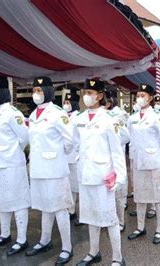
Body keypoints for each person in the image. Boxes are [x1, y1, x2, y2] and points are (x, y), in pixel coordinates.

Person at [73, 79, 127, 266]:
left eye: (90, 92)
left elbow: (117, 152)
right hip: (86, 175)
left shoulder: (109, 120)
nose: (86, 96)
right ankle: (93, 252)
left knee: (110, 219)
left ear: (100, 96)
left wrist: (119, 178)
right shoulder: (78, 119)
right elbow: (75, 144)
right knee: (90, 217)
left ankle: (118, 258)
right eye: (84, 92)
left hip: (104, 177)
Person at [25, 77, 73, 264]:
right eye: (34, 90)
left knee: (60, 208)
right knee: (45, 206)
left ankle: (67, 247)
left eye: (39, 90)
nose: (36, 94)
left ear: (47, 91)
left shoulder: (57, 113)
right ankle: (45, 240)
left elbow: (70, 140)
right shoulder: (33, 114)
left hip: (54, 169)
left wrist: (57, 155)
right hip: (38, 168)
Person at [0, 77, 31, 256]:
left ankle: (22, 239)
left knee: (18, 200)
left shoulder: (13, 113)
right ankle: (5, 234)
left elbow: (24, 137)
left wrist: (12, 152)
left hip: (11, 164)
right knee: (1, 199)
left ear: (3, 93)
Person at [127, 84, 160, 244]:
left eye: (143, 95)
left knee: (158, 196)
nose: (139, 98)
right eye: (138, 95)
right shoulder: (132, 118)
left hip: (152, 161)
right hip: (137, 161)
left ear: (150, 98)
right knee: (140, 196)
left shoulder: (157, 117)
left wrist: (152, 150)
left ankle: (159, 229)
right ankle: (140, 227)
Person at [105, 88, 130, 233]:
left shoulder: (118, 114)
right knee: (105, 194)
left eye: (109, 99)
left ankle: (120, 221)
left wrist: (113, 142)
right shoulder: (99, 115)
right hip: (102, 161)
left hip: (116, 158)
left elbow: (126, 137)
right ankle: (107, 219)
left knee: (119, 195)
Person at [64, 88, 82, 225]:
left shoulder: (79, 117)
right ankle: (71, 211)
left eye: (69, 102)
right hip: (65, 157)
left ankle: (82, 214)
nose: (66, 104)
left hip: (76, 157)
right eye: (65, 102)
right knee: (69, 187)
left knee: (79, 187)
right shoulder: (63, 116)